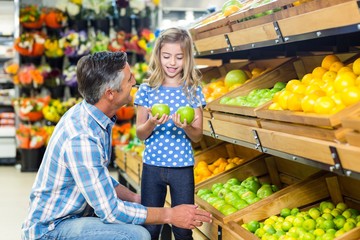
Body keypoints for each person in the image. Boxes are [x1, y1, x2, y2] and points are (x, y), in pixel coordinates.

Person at [21, 51, 212, 240]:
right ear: (110, 93)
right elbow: (110, 211)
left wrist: (137, 200)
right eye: (129, 79)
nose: (134, 82)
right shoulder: (82, 137)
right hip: (51, 230)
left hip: (74, 217)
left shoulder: (94, 117)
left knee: (134, 218)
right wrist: (170, 215)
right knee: (137, 235)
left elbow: (98, 179)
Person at [134, 27, 207, 240]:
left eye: (178, 57)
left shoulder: (193, 90)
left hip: (182, 168)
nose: (172, 63)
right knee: (150, 227)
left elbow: (198, 136)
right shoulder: (147, 90)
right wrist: (152, 124)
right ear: (158, 56)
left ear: (187, 59)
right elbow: (140, 133)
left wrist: (186, 127)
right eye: (166, 56)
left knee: (183, 229)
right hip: (152, 167)